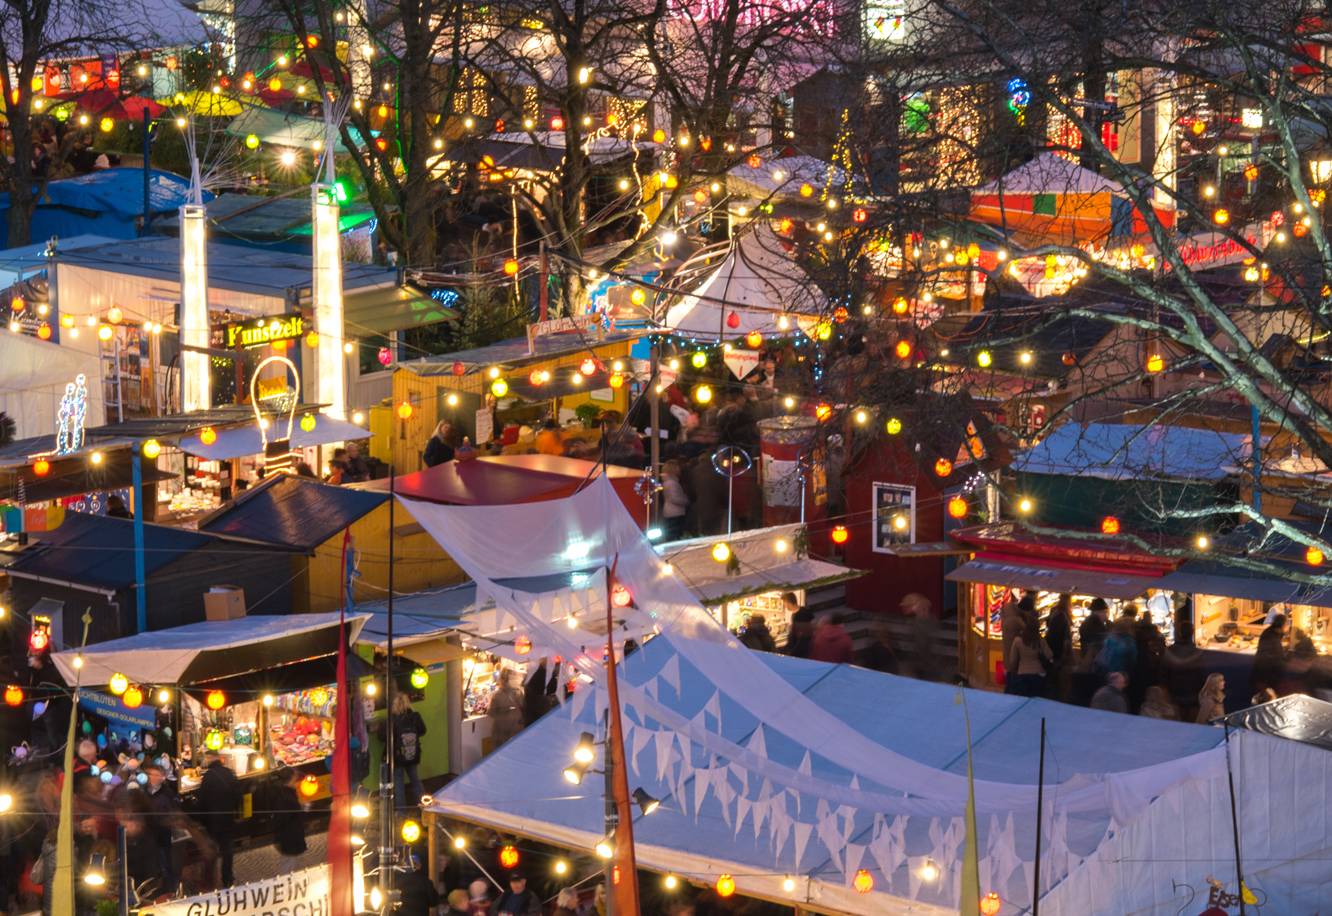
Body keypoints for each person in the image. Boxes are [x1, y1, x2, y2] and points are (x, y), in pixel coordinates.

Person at [195, 751, 241, 887]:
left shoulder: (208, 777)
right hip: (227, 818)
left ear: (210, 759)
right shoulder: (229, 773)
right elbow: (238, 795)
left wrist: (201, 821)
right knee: (227, 850)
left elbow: (202, 801)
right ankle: (227, 878)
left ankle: (211, 880)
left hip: (212, 820)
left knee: (211, 850)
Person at [391, 694, 428, 809]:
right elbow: (423, 730)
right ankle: (425, 807)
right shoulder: (415, 716)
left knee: (399, 784)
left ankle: (401, 812)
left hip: (398, 756)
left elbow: (383, 736)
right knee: (415, 780)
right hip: (413, 754)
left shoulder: (393, 719)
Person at [1007, 616, 1053, 697]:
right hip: (1039, 674)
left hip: (1022, 674)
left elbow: (1013, 661)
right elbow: (1049, 655)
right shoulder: (1040, 641)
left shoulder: (1018, 641)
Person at [1043, 594, 1074, 701]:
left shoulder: (1054, 611)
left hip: (1052, 648)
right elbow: (1065, 638)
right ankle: (1057, 698)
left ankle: (1052, 697)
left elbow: (1048, 625)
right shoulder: (1063, 616)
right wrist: (1067, 654)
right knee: (1059, 679)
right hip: (1059, 651)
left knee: (1053, 677)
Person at [901, 592, 938, 680]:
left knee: (924, 652)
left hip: (923, 641)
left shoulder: (920, 612)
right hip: (922, 641)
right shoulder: (918, 616)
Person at [1251, 613, 1289, 695]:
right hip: (1266, 675)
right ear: (1282, 625)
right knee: (1267, 696)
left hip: (1262, 672)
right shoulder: (1273, 639)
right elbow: (1278, 658)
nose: (1287, 626)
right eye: (1286, 624)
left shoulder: (1269, 631)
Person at [487, 669, 526, 747]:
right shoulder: (497, 695)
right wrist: (504, 710)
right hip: (502, 731)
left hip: (516, 730)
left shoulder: (519, 693)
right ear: (505, 680)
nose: (515, 680)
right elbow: (491, 712)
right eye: (511, 678)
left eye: (515, 677)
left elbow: (524, 708)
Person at [999, 598, 1026, 693]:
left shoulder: (1004, 620)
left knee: (1009, 676)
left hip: (1007, 653)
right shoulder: (1016, 620)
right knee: (1014, 676)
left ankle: (1008, 692)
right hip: (1015, 654)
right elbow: (1026, 629)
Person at [660, 460, 689, 541]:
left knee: (671, 533)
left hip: (669, 511)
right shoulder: (672, 483)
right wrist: (685, 501)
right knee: (675, 534)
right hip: (675, 512)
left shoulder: (667, 482)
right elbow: (674, 498)